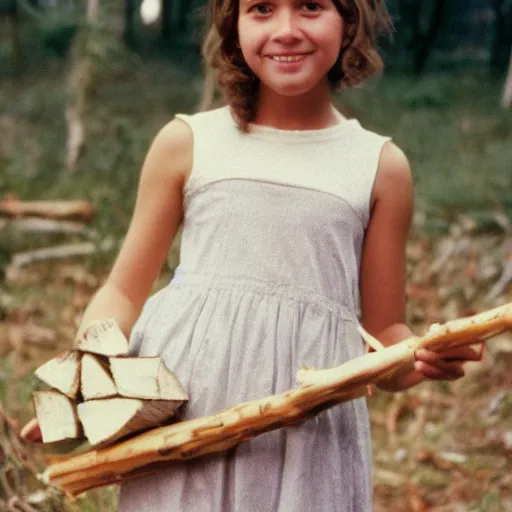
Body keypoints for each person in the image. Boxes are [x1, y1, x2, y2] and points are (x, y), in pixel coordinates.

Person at [24, 0, 482, 510]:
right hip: (185, 421)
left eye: (311, 7)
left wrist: (422, 357)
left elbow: (386, 339)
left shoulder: (379, 166)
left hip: (309, 437)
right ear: (233, 25)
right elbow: (123, 290)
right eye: (261, 9)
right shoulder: (187, 142)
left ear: (348, 22)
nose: (286, 31)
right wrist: (84, 381)